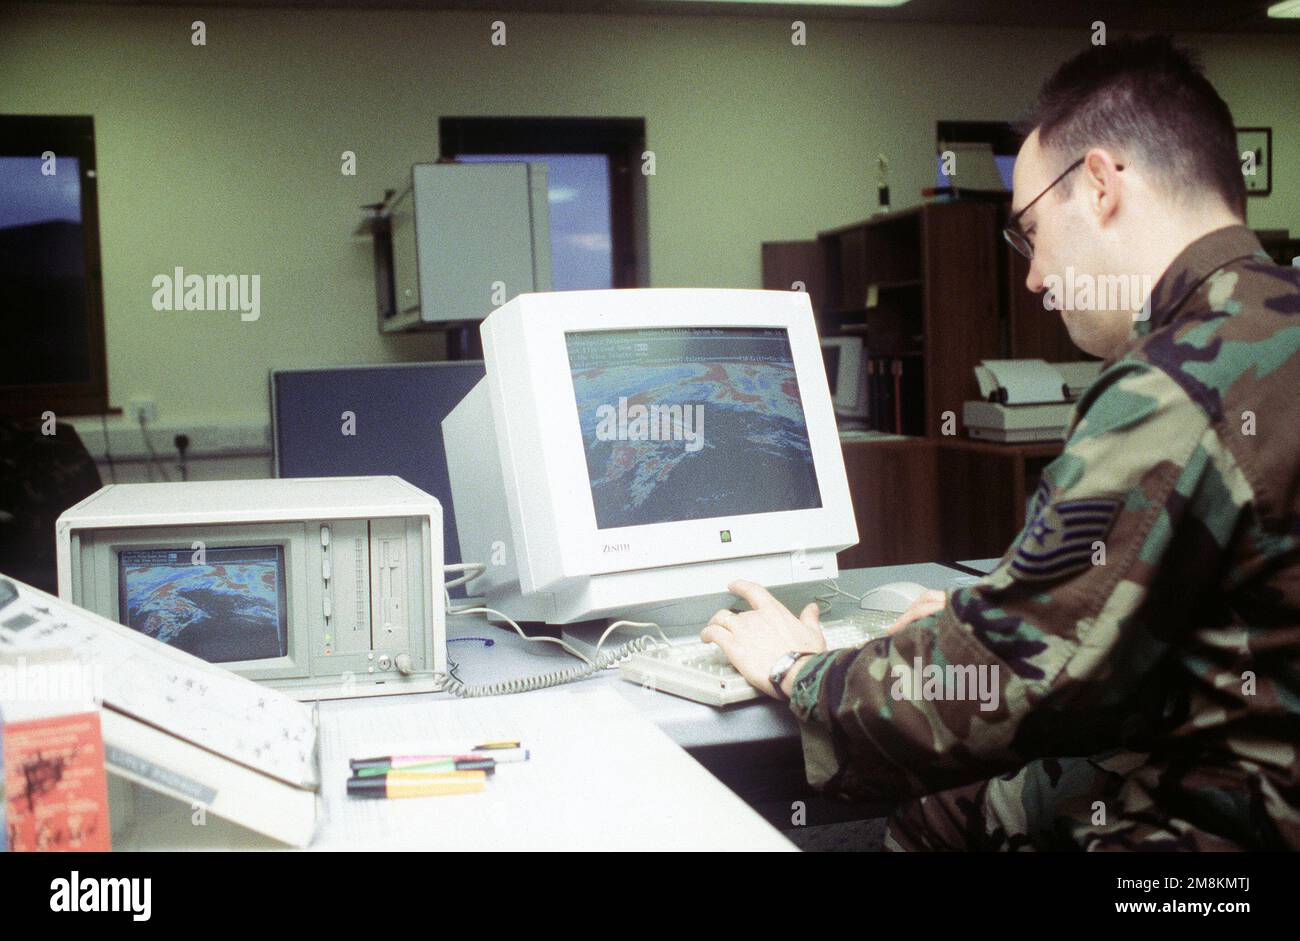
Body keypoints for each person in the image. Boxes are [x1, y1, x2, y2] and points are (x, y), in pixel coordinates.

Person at [702, 36, 1300, 851]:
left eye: (1028, 232)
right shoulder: (1273, 328)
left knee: (923, 821)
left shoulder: (1178, 381)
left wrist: (799, 671)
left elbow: (1014, 682)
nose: (1032, 277)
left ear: (1098, 184)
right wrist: (1000, 609)